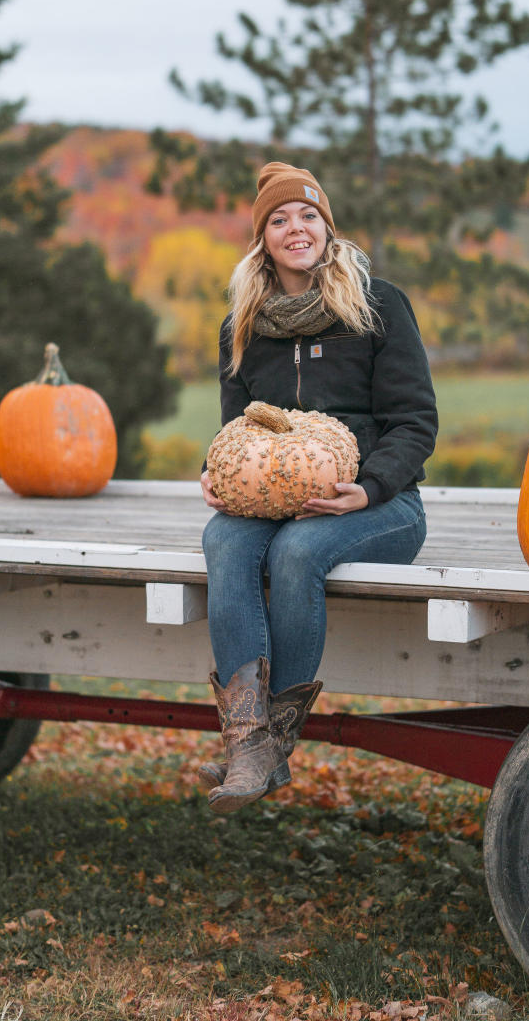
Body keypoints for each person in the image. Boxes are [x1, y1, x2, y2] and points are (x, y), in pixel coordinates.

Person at [200, 162, 438, 814]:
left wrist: (370, 487)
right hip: (277, 501)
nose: (295, 227)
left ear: (326, 229)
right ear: (262, 240)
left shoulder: (377, 305)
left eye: (307, 215)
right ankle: (248, 741)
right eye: (278, 219)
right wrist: (214, 474)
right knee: (222, 541)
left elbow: (416, 423)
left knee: (298, 554)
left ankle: (273, 743)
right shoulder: (242, 328)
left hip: (381, 505)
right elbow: (236, 431)